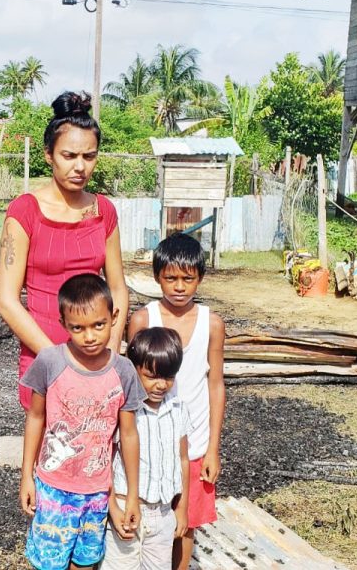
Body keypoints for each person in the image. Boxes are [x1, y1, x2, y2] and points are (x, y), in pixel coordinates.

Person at [0, 91, 129, 412]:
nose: (80, 167)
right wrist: (60, 361)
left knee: (96, 452)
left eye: (89, 156)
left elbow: (118, 289)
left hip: (97, 355)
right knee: (48, 454)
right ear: (48, 155)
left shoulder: (104, 211)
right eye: (69, 156)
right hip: (43, 357)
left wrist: (108, 353)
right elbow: (7, 301)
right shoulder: (24, 211)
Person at [20, 274, 145, 570]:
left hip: (97, 491)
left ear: (113, 318)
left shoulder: (124, 371)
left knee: (86, 563)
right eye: (78, 328)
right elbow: (35, 416)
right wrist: (27, 475)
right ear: (63, 324)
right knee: (49, 563)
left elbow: (128, 435)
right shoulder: (50, 362)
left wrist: (133, 497)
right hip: (53, 487)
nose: (89, 336)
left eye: (98, 325)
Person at [125, 233, 227, 570]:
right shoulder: (143, 320)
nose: (179, 287)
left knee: (185, 524)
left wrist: (213, 447)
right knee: (144, 518)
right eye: (170, 278)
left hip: (194, 444)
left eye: (188, 278)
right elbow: (130, 380)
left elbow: (215, 384)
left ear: (200, 278)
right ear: (157, 277)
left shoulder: (212, 325)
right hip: (148, 439)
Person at [102, 327, 190, 570]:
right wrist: (112, 508)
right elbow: (104, 462)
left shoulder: (178, 408)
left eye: (169, 377)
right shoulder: (125, 411)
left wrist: (181, 509)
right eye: (151, 376)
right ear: (134, 370)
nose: (161, 385)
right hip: (124, 510)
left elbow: (183, 459)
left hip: (162, 513)